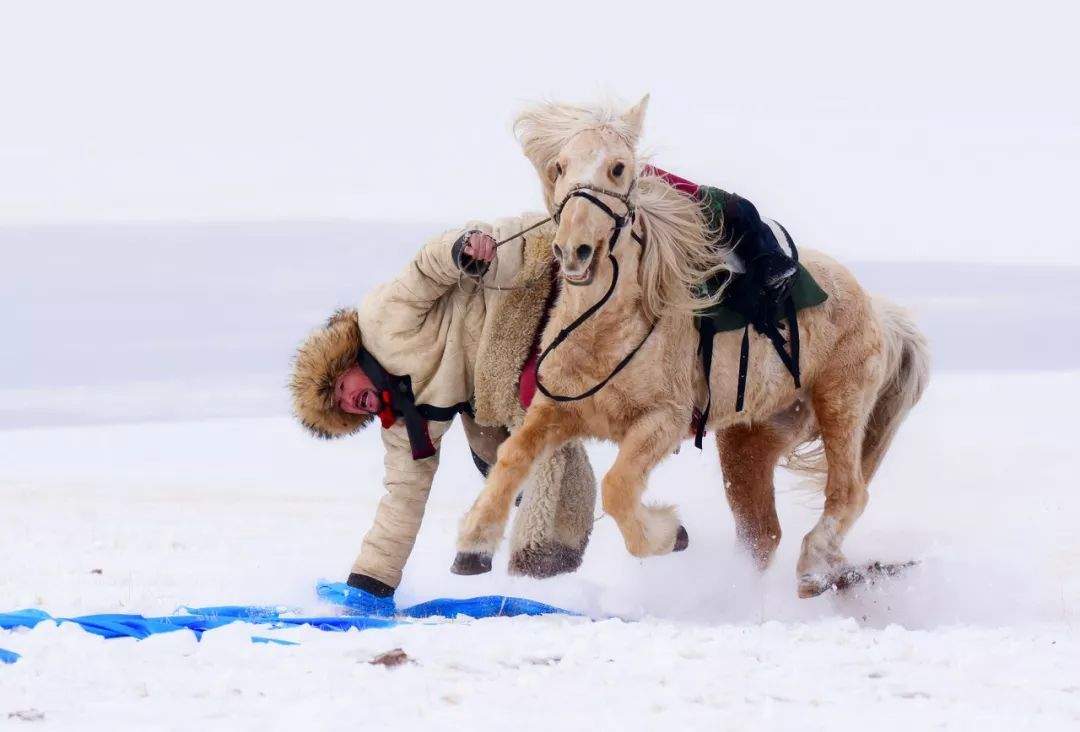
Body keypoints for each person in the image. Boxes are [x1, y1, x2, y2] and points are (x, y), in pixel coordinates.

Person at [290, 215, 596, 610]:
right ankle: (560, 543)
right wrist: (370, 586)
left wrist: (463, 249)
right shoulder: (402, 422)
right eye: (342, 410)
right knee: (493, 449)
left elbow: (425, 269)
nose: (350, 404)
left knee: (521, 415)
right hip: (490, 387)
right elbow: (404, 496)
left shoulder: (381, 320)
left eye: (339, 392)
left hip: (511, 289)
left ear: (344, 363)